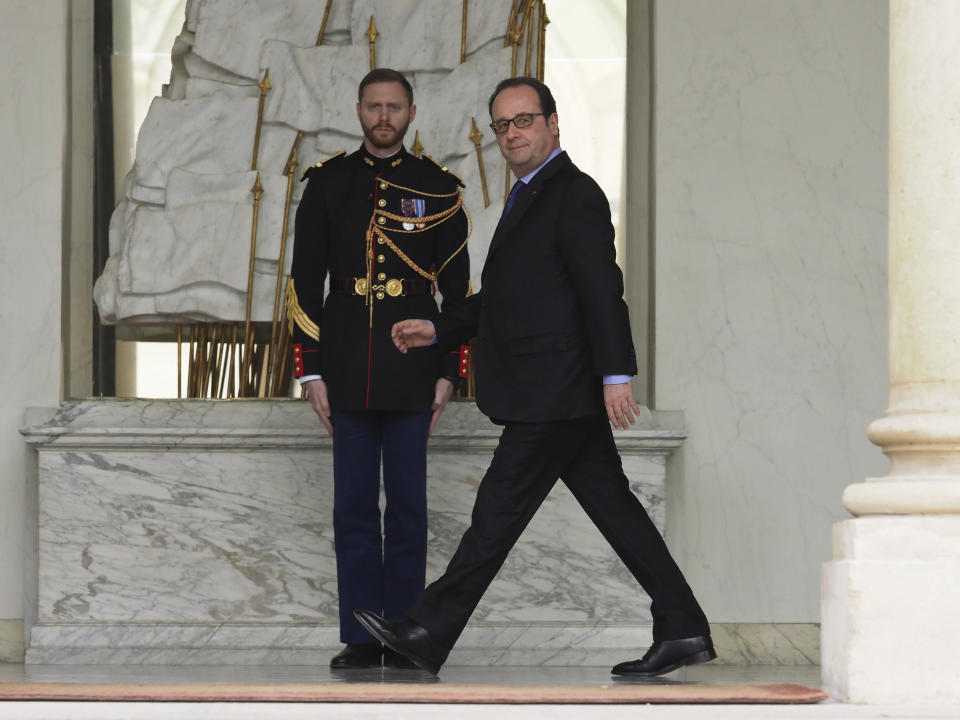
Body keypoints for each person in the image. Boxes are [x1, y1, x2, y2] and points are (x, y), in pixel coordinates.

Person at [354, 77, 714, 677]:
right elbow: (498, 302)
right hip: (551, 392)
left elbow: (603, 292)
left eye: (524, 120)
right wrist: (436, 328)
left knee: (496, 511)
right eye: (503, 125)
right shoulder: (527, 197)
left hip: (557, 391)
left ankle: (426, 629)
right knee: (615, 511)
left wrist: (616, 373)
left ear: (552, 123)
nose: (513, 133)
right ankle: (683, 626)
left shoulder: (573, 194)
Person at [289, 68, 471, 670]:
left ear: (411, 114)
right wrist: (310, 370)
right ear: (359, 110)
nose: (384, 116)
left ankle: (408, 634)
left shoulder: (439, 188)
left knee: (411, 511)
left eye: (394, 107)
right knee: (354, 508)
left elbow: (460, 296)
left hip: (414, 368)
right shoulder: (327, 182)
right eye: (374, 106)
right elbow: (302, 284)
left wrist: (450, 369)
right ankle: (362, 637)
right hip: (344, 365)